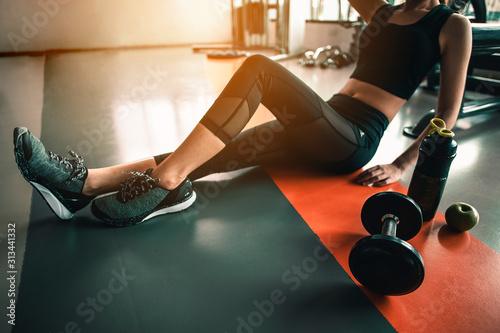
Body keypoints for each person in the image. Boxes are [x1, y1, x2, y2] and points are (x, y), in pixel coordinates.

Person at [13, 0, 472, 227]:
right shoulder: (384, 10)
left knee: (258, 69)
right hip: (320, 123)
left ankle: (166, 185)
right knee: (199, 155)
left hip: (352, 138)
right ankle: (83, 186)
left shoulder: (452, 24)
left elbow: (447, 113)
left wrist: (400, 164)